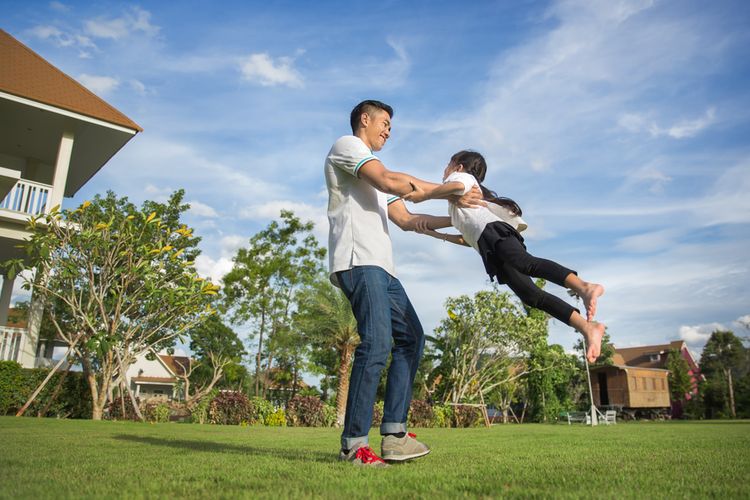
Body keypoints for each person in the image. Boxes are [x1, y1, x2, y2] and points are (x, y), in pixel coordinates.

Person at [325, 101, 483, 467]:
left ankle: (394, 435)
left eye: (391, 126)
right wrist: (452, 189)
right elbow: (390, 180)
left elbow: (407, 218)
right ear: (364, 120)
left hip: (383, 268)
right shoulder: (348, 148)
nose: (389, 131)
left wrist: (459, 227)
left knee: (412, 338)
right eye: (385, 123)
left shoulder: (374, 175)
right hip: (358, 260)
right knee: (378, 343)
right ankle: (354, 445)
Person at [407, 150, 606, 364]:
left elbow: (457, 186)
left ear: (459, 166)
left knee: (526, 263)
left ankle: (584, 287)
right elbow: (466, 238)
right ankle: (586, 327)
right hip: (488, 243)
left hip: (494, 233)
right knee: (529, 295)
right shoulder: (458, 206)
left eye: (448, 164)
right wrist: (431, 232)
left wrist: (425, 195)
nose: (444, 170)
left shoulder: (461, 178)